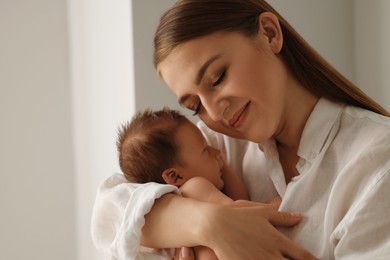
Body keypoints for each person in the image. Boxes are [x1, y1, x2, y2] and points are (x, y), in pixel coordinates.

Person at [91, 0, 390, 259]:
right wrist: (209, 222)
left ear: (269, 34)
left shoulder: (376, 160)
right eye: (195, 105)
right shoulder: (215, 145)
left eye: (218, 77)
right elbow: (110, 212)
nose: (215, 112)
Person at [116, 107, 258, 259]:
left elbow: (240, 198)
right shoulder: (195, 187)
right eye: (205, 149)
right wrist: (274, 208)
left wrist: (221, 165)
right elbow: (237, 214)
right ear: (175, 176)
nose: (216, 152)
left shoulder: (172, 206)